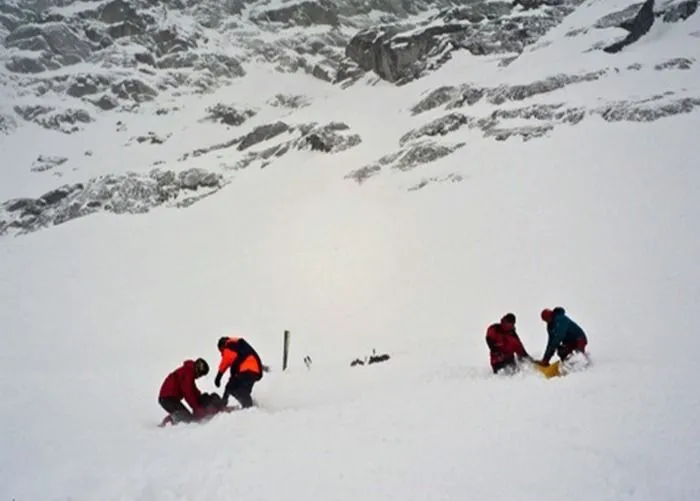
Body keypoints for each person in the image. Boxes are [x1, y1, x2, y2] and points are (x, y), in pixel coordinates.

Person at [158, 358, 225, 425]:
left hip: (169, 398)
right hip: (167, 398)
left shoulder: (189, 372)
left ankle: (172, 421)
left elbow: (193, 390)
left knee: (188, 417)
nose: (199, 377)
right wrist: (196, 408)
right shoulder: (188, 372)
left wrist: (202, 398)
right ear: (198, 369)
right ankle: (166, 424)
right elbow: (188, 393)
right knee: (186, 418)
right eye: (201, 374)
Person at [214, 336, 263, 408]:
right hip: (254, 371)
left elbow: (226, 361)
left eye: (221, 351)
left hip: (247, 370)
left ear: (222, 346)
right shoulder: (237, 346)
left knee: (231, 387)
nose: (222, 354)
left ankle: (223, 404)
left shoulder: (229, 346)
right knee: (243, 390)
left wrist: (218, 376)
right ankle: (249, 407)